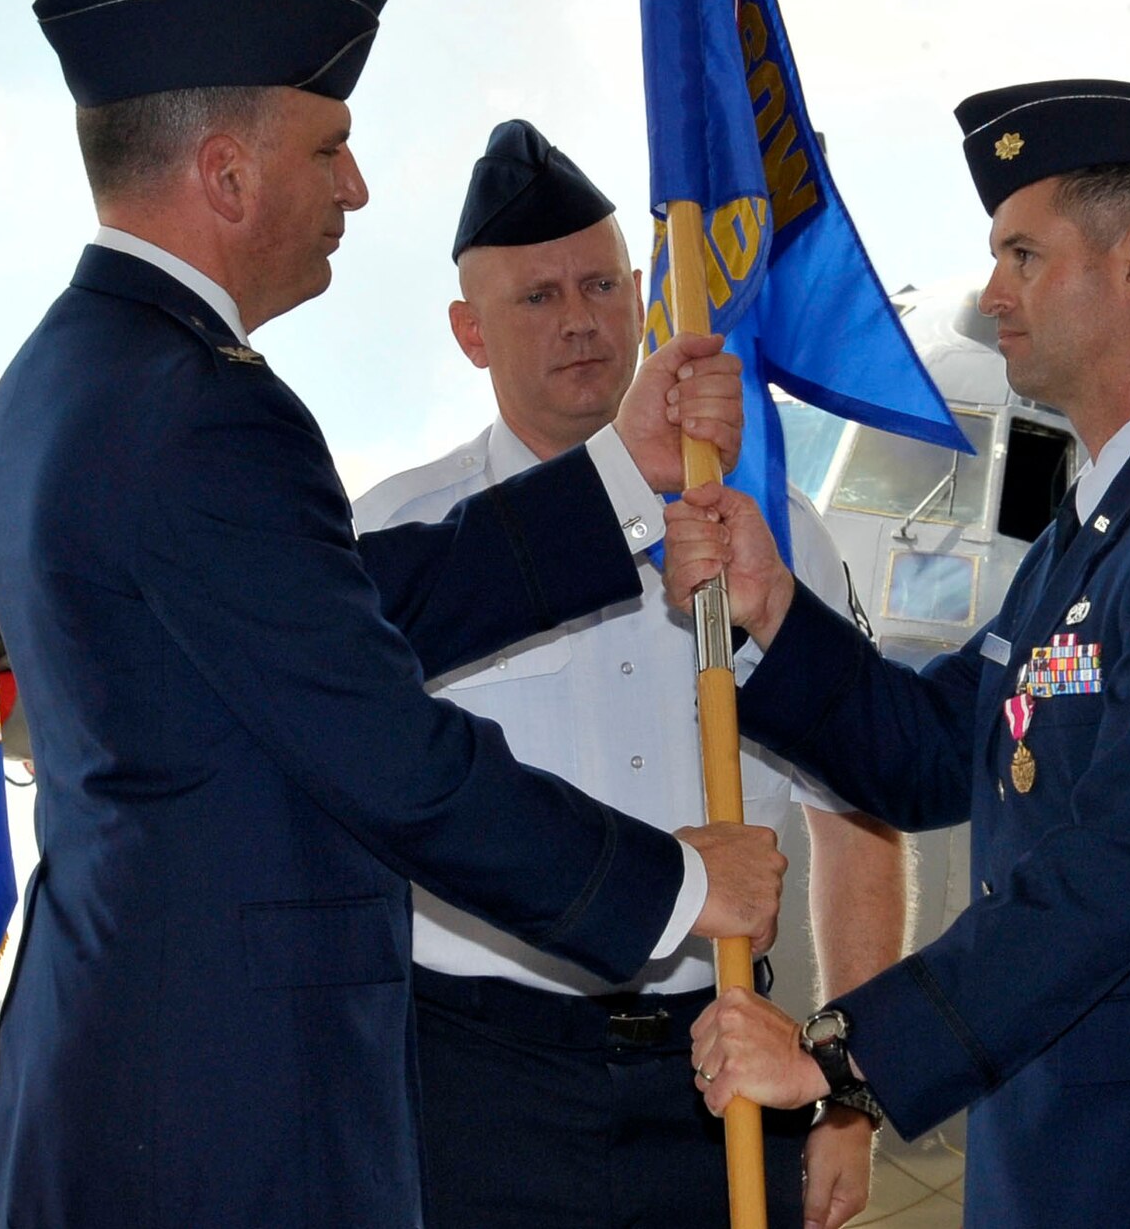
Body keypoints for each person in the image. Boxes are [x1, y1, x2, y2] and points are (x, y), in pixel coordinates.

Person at [0, 0, 786, 1229]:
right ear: (226, 174)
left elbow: (333, 610)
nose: (354, 187)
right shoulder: (203, 411)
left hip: (129, 1060)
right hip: (217, 1116)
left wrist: (618, 478)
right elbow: (390, 753)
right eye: (328, 150)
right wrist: (681, 885)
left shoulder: (73, 371)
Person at [666, 79, 1130, 1227]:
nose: (993, 294)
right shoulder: (1104, 528)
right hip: (1055, 1160)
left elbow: (1119, 875)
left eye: (1022, 256)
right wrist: (772, 609)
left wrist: (845, 1058)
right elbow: (939, 749)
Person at [353, 119, 909, 1229]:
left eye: (602, 284)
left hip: (713, 1080)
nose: (580, 321)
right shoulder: (393, 542)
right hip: (470, 1082)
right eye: (537, 297)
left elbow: (859, 814)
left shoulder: (764, 532)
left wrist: (849, 1094)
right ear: (468, 331)